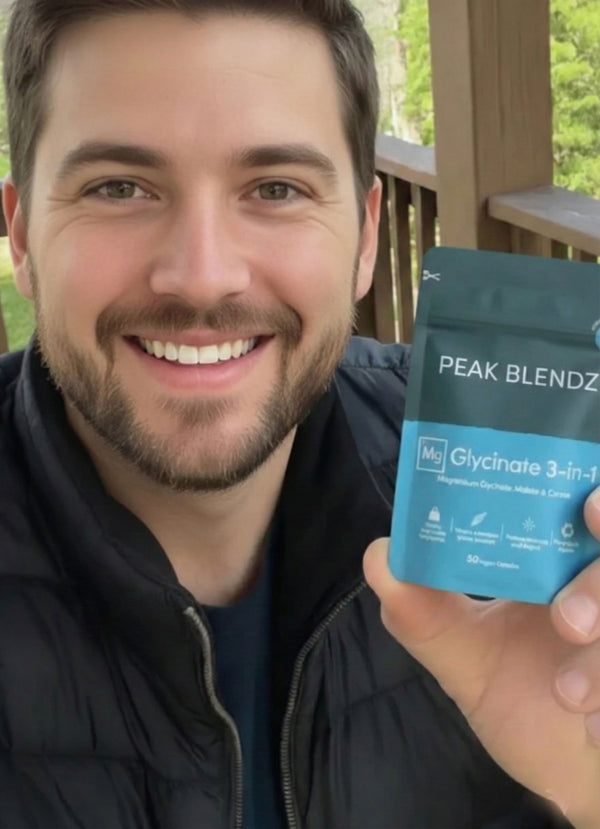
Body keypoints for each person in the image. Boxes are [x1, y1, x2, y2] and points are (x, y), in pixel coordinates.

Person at [0, 0, 597, 826]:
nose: (203, 276)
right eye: (119, 187)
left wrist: (583, 790)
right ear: (22, 234)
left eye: (276, 188)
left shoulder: (529, 489)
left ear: (365, 237)